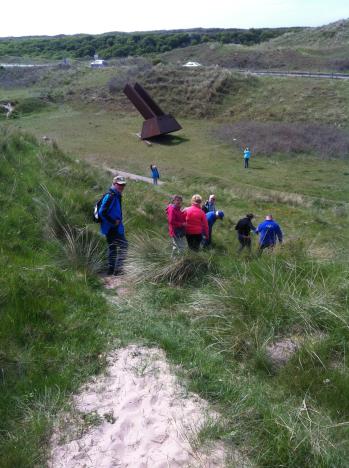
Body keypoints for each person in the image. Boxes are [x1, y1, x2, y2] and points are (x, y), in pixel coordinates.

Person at [99, 175, 128, 275]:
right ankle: (117, 270)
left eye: (123, 185)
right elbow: (102, 212)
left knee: (113, 248)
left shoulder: (116, 195)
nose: (122, 187)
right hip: (111, 227)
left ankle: (112, 270)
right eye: (119, 185)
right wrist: (113, 222)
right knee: (124, 245)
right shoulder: (111, 196)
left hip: (113, 227)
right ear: (114, 184)